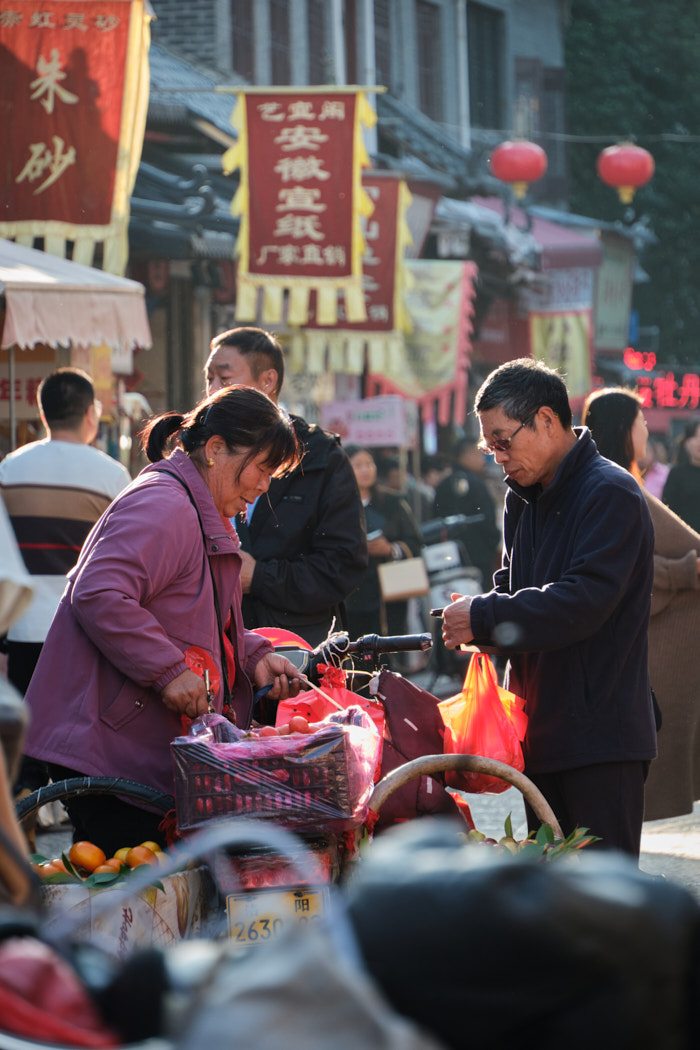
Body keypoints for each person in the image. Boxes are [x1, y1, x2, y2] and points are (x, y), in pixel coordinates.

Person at [21, 385, 305, 855]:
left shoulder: (198, 507)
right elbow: (99, 591)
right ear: (215, 450)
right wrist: (168, 669)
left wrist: (252, 655)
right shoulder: (165, 504)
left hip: (132, 744)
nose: (263, 486)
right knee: (127, 898)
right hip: (106, 747)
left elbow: (192, 614)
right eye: (261, 468)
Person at [441, 358, 657, 857]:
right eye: (488, 445)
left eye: (503, 440)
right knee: (555, 902)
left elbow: (583, 601)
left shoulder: (610, 492)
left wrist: (486, 616)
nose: (497, 456)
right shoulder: (523, 496)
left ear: (545, 419)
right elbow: (514, 584)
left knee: (604, 901)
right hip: (538, 731)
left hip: (601, 738)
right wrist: (478, 619)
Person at [0, 368, 131, 800]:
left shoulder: (10, 469)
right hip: (80, 623)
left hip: (20, 622)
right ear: (91, 413)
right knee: (69, 727)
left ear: (43, 413)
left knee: (23, 728)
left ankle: (27, 808)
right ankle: (66, 802)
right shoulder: (112, 475)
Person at [205, 327, 367, 647]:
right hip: (214, 643)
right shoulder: (204, 451)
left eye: (223, 379)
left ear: (268, 381)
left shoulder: (320, 457)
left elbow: (344, 566)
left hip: (297, 648)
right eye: (208, 379)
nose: (212, 391)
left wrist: (260, 577)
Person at [582, 387, 700, 822]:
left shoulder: (618, 481)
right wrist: (685, 571)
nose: (647, 428)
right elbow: (622, 566)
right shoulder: (613, 485)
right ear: (620, 428)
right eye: (640, 420)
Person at [345, 446, 423, 639]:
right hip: (351, 593)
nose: (366, 470)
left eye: (369, 464)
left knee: (390, 643)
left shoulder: (393, 502)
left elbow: (414, 542)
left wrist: (390, 549)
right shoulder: (338, 506)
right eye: (358, 465)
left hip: (390, 591)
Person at [432, 437, 501, 589]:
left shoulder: (444, 483)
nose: (482, 460)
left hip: (447, 559)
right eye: (479, 454)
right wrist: (492, 544)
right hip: (479, 559)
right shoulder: (476, 483)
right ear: (466, 455)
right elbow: (487, 521)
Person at [662, 418, 700, 532]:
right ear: (686, 442)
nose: (699, 441)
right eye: (695, 436)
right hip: (686, 543)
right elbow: (668, 512)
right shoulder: (676, 474)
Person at [639, 435, 670, 499]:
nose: (643, 454)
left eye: (647, 450)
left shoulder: (664, 472)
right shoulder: (629, 472)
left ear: (654, 453)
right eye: (640, 450)